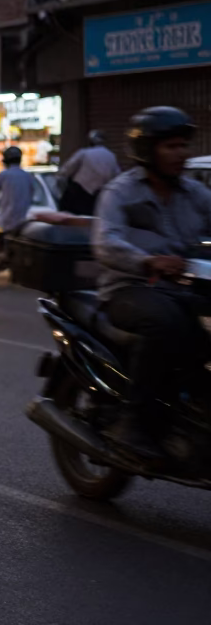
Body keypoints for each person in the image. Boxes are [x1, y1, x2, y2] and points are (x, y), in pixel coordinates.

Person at [92, 107, 211, 462]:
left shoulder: (193, 192)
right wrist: (148, 260)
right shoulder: (120, 192)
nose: (181, 154)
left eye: (183, 146)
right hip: (128, 289)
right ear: (148, 151)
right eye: (171, 146)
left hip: (182, 289)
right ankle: (132, 421)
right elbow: (105, 242)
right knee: (167, 322)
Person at [59, 129, 120, 215]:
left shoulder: (84, 153)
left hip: (78, 193)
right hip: (99, 195)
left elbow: (67, 169)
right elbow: (117, 175)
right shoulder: (111, 156)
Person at [0, 145, 34, 242]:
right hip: (23, 222)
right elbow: (31, 195)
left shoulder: (3, 175)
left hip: (5, 222)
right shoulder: (27, 176)